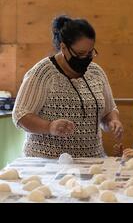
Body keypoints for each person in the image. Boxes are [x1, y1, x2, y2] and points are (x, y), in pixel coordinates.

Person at [12, 15, 123, 158]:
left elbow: (109, 110)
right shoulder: (43, 73)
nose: (86, 58)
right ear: (64, 47)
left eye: (90, 53)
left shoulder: (96, 72)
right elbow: (20, 115)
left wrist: (113, 121)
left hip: (91, 160)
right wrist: (49, 127)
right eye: (81, 53)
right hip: (48, 163)